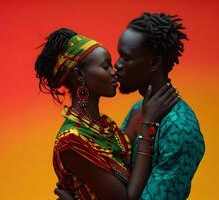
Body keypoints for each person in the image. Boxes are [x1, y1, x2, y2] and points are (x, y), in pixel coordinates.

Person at [55, 12, 205, 200]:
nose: (117, 66)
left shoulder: (180, 127)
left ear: (153, 62)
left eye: (126, 58)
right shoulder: (138, 109)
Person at [35, 28, 180, 199]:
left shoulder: (105, 126)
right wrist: (148, 124)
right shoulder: (72, 141)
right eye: (105, 66)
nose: (114, 72)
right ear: (80, 74)